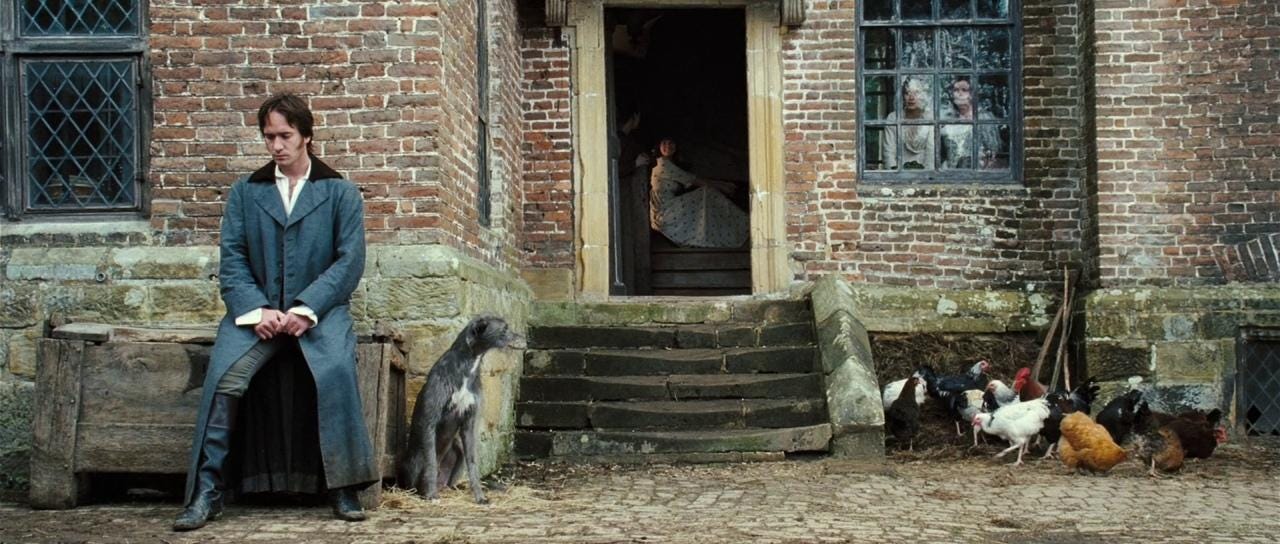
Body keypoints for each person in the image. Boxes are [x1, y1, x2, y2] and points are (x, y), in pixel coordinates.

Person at [174, 94, 376, 531]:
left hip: (320, 315)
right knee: (225, 379)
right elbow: (232, 259)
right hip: (257, 317)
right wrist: (256, 309)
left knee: (336, 371)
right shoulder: (247, 193)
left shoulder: (340, 193)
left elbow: (349, 262)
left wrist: (307, 308)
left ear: (307, 136)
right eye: (269, 137)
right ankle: (208, 492)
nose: (276, 146)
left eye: (285, 135)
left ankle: (344, 487)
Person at [649, 137, 748, 248]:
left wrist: (722, 184)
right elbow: (694, 180)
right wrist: (723, 185)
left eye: (671, 143)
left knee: (707, 196)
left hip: (671, 207)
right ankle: (744, 225)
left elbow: (692, 180)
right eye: (664, 143)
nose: (668, 146)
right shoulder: (662, 164)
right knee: (706, 194)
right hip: (665, 212)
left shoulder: (671, 164)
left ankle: (737, 228)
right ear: (659, 146)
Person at [940, 77, 1004, 169]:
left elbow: (992, 152)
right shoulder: (947, 118)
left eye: (964, 90)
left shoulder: (983, 117)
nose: (959, 94)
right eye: (956, 90)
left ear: (972, 94)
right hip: (949, 171)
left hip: (976, 170)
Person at [881, 77, 934, 170]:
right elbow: (888, 151)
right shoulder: (893, 118)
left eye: (916, 93)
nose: (911, 98)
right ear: (902, 96)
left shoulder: (931, 118)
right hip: (898, 173)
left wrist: (927, 175)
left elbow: (931, 152)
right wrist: (894, 174)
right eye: (907, 93)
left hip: (925, 174)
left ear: (923, 95)